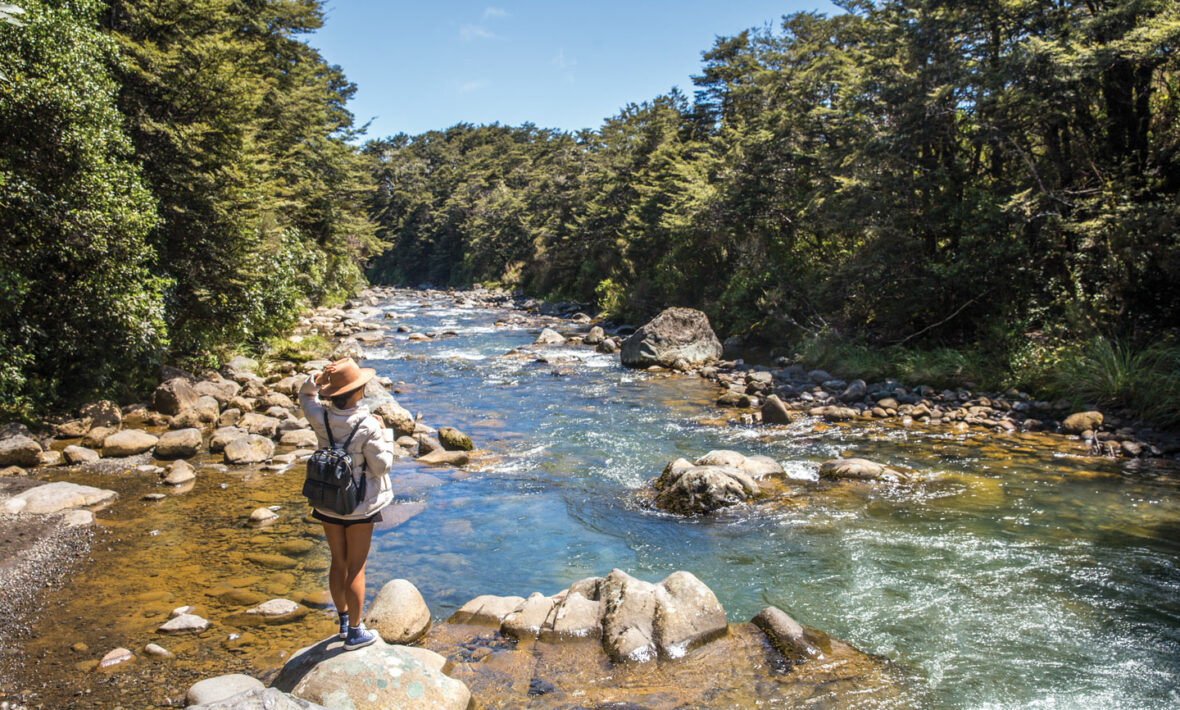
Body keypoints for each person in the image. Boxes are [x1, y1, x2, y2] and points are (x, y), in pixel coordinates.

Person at [298, 357, 395, 650]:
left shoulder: (320, 416)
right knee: (357, 567)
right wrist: (386, 434)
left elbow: (305, 396)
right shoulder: (367, 424)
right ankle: (355, 632)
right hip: (359, 505)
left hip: (327, 500)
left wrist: (315, 380)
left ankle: (342, 622)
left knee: (337, 562)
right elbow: (382, 467)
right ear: (358, 392)